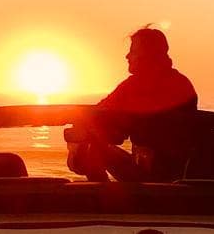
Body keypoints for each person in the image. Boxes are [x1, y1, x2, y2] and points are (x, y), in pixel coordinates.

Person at [67, 26, 198, 182]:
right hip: (182, 179)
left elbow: (99, 112)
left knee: (90, 146)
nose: (127, 56)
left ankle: (100, 194)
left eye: (133, 51)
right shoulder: (182, 83)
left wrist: (79, 137)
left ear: (149, 55)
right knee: (91, 141)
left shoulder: (136, 86)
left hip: (150, 179)